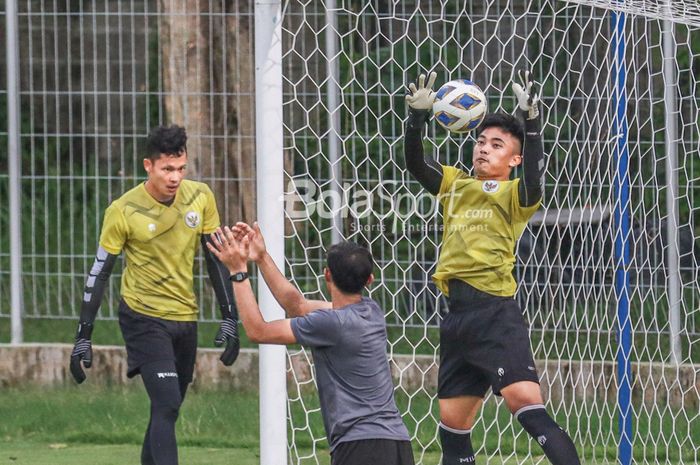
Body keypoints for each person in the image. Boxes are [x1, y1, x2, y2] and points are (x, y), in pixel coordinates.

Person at [403, 71, 581, 465]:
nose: (484, 148)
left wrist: (531, 124)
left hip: (495, 314)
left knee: (527, 409)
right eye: (481, 141)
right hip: (456, 318)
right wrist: (416, 120)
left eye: (496, 145)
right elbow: (416, 164)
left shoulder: (516, 194)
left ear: (514, 159)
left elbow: (534, 180)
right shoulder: (455, 184)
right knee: (452, 428)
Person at [68, 125, 241, 465]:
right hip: (142, 316)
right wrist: (82, 336)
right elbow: (99, 272)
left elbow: (214, 259)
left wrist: (230, 316)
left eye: (181, 168)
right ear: (148, 166)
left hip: (184, 317)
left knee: (169, 407)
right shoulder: (123, 210)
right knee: (167, 404)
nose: (175, 177)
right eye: (167, 169)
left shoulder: (201, 197)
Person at [206, 222, 414, 465]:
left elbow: (258, 331)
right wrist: (262, 258)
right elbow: (298, 306)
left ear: (327, 275)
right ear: (369, 280)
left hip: (361, 447)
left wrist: (238, 271)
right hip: (398, 443)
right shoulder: (372, 311)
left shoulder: (330, 324)